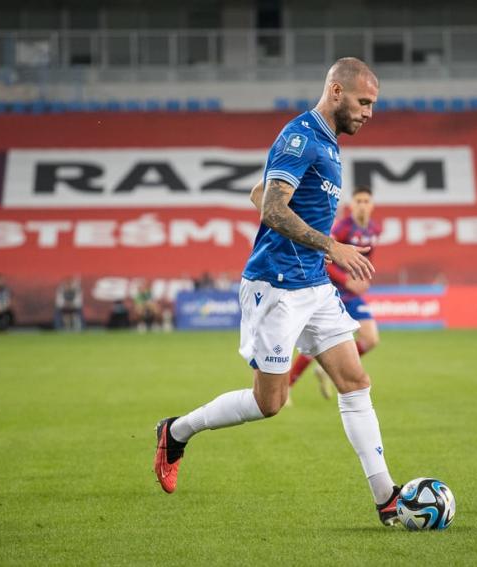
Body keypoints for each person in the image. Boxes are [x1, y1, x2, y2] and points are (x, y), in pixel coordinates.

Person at [153, 58, 402, 526]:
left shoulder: (327, 142)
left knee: (355, 381)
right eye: (364, 102)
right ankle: (176, 431)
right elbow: (272, 206)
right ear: (335, 92)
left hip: (313, 284)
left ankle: (386, 499)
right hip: (277, 286)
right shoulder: (301, 135)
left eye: (373, 104)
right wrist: (332, 245)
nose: (370, 112)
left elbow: (262, 194)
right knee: (271, 403)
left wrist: (304, 237)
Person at [287, 185, 381, 400]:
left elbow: (367, 257)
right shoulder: (342, 228)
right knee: (316, 345)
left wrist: (363, 276)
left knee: (371, 338)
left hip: (352, 293)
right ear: (351, 205)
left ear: (372, 205)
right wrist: (347, 279)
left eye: (366, 201)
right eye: (359, 201)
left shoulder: (374, 229)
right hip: (331, 291)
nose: (363, 206)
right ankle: (287, 385)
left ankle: (327, 368)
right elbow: (323, 256)